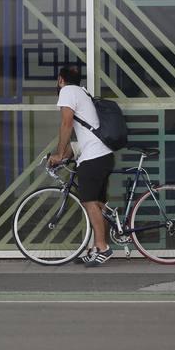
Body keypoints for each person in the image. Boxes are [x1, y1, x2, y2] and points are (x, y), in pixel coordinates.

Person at [50, 64, 116, 266]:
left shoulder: (68, 91)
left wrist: (59, 154)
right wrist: (66, 155)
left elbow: (67, 124)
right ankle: (96, 247)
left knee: (88, 201)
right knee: (98, 203)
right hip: (103, 155)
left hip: (93, 158)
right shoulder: (83, 92)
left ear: (61, 79)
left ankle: (103, 247)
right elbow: (83, 138)